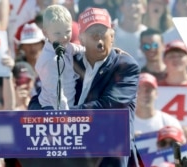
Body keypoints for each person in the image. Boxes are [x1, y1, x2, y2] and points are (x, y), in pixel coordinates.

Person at [27, 7, 143, 167]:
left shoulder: (125, 66)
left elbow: (111, 106)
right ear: (81, 38)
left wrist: (64, 116)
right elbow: (41, 97)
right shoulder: (69, 61)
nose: (98, 37)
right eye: (92, 33)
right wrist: (42, 115)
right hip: (74, 158)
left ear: (112, 36)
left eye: (102, 32)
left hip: (110, 158)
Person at [35, 4, 85, 110]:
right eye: (58, 33)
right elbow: (56, 94)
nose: (64, 37)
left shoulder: (64, 46)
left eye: (68, 31)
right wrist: (65, 115)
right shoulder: (50, 60)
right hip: (54, 108)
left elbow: (77, 48)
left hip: (69, 104)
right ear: (45, 33)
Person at [114, 0, 148, 68]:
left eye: (137, 2)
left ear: (144, 8)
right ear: (121, 7)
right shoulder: (111, 32)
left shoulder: (149, 36)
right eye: (128, 2)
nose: (132, 6)